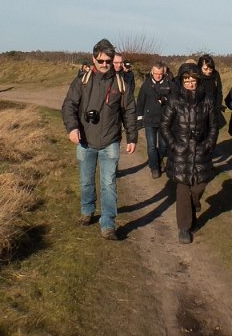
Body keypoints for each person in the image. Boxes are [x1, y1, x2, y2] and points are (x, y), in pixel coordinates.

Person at [61, 38, 138, 240]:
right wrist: (72, 128)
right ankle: (87, 211)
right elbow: (69, 106)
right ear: (94, 59)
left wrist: (132, 137)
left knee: (108, 184)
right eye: (101, 60)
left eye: (108, 61)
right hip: (85, 141)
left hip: (110, 141)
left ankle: (108, 224)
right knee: (86, 182)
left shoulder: (121, 83)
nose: (105, 65)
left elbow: (129, 110)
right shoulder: (82, 81)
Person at [161, 63, 220, 244]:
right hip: (180, 151)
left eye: (193, 80)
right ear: (181, 81)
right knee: (182, 188)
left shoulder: (207, 100)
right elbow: (164, 125)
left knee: (199, 186)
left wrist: (209, 143)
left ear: (198, 80)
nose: (190, 83)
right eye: (186, 80)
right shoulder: (174, 100)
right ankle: (184, 228)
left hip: (201, 151)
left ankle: (194, 202)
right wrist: (173, 144)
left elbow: (213, 126)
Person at [136, 62, 173, 179]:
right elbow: (140, 101)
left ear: (164, 73)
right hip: (149, 121)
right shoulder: (146, 85)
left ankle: (159, 159)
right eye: (156, 73)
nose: (158, 76)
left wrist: (166, 99)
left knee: (163, 146)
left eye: (160, 74)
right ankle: (154, 168)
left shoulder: (169, 84)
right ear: (152, 72)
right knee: (151, 146)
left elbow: (175, 98)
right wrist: (139, 118)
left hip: (164, 120)